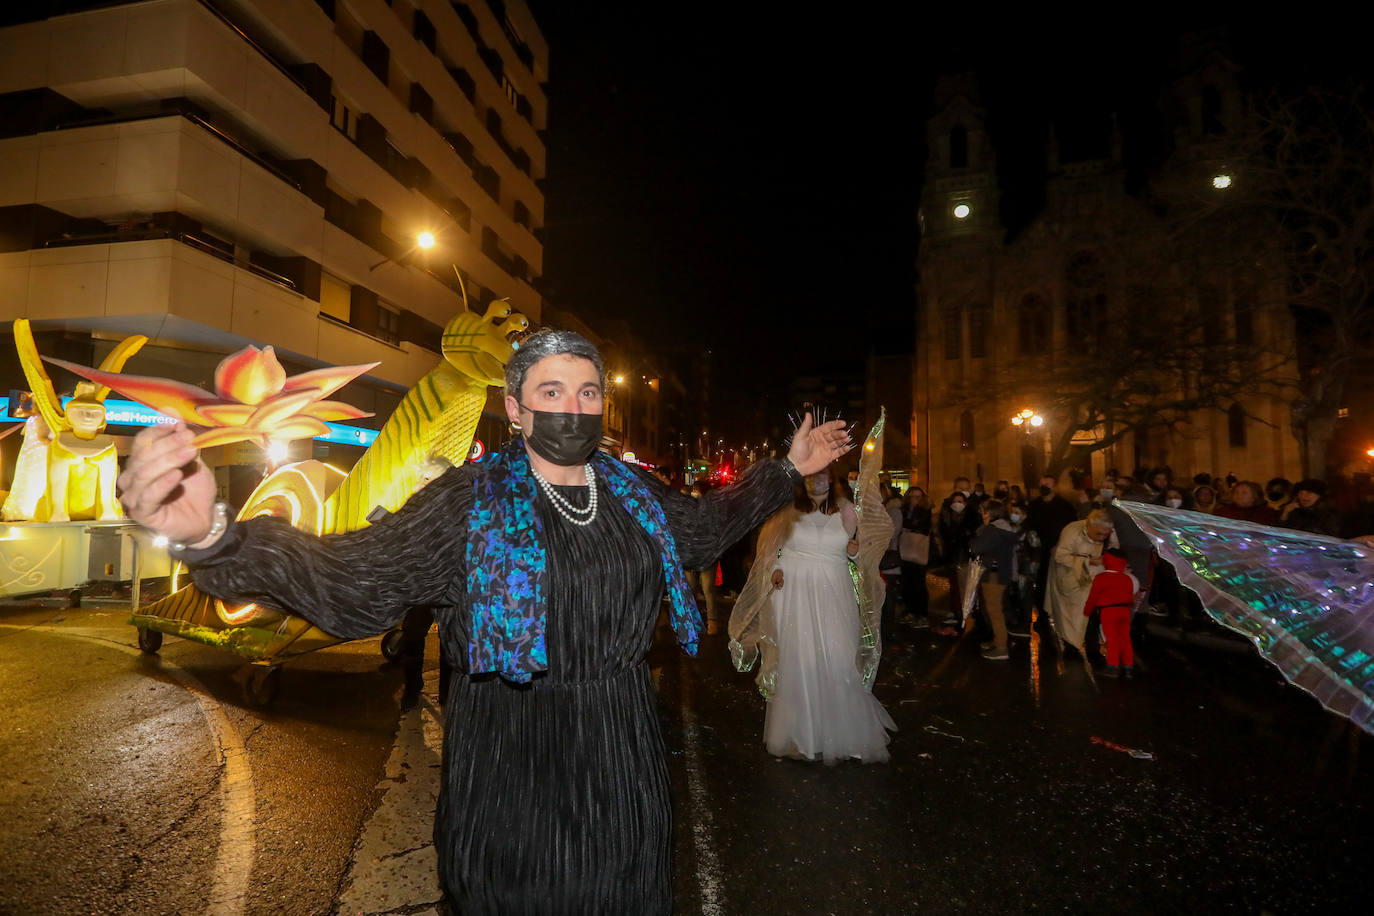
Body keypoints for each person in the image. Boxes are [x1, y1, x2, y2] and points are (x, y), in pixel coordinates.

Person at [115, 328, 854, 913]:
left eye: (588, 391)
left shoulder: (637, 495)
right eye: (553, 390)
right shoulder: (466, 503)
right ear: (517, 408)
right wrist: (214, 540)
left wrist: (786, 470)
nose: (574, 406)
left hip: (620, 752)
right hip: (511, 765)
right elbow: (351, 578)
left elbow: (707, 525)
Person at [743, 469, 896, 763]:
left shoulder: (848, 511)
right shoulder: (788, 510)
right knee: (800, 660)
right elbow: (771, 550)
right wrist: (775, 569)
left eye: (825, 474)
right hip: (794, 591)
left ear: (834, 479)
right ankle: (801, 736)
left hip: (833, 593)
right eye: (813, 475)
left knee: (838, 657)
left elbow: (863, 553)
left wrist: (854, 552)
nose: (819, 479)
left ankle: (842, 734)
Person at [1045, 509, 1118, 655]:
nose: (1102, 538)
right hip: (1070, 580)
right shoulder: (1072, 531)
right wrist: (1088, 560)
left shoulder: (1110, 533)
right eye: (1098, 534)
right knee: (1070, 617)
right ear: (1088, 526)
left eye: (1106, 534)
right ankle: (1071, 648)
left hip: (1094, 579)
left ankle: (1093, 650)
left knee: (1092, 616)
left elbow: (1115, 551)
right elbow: (1060, 555)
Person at [969, 499, 1019, 660]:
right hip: (1001, 573)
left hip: (993, 575)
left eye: (983, 510)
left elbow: (976, 547)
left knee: (994, 610)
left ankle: (1001, 647)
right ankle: (998, 640)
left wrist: (980, 532)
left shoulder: (993, 530)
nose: (981, 514)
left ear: (989, 513)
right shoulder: (1005, 528)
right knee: (996, 608)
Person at [1083, 549, 1140, 678]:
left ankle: (1113, 666)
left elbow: (1093, 597)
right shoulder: (1127, 579)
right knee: (1125, 638)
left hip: (1109, 611)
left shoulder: (1101, 578)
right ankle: (1128, 667)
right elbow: (1131, 598)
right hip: (1125, 611)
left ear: (1107, 561)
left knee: (1112, 639)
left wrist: (1087, 611)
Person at [900, 486, 934, 631]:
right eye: (913, 496)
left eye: (919, 496)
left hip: (918, 549)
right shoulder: (903, 510)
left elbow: (921, 525)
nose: (916, 499)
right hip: (906, 550)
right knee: (907, 582)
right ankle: (910, 611)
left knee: (919, 583)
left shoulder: (924, 510)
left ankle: (921, 614)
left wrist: (907, 526)